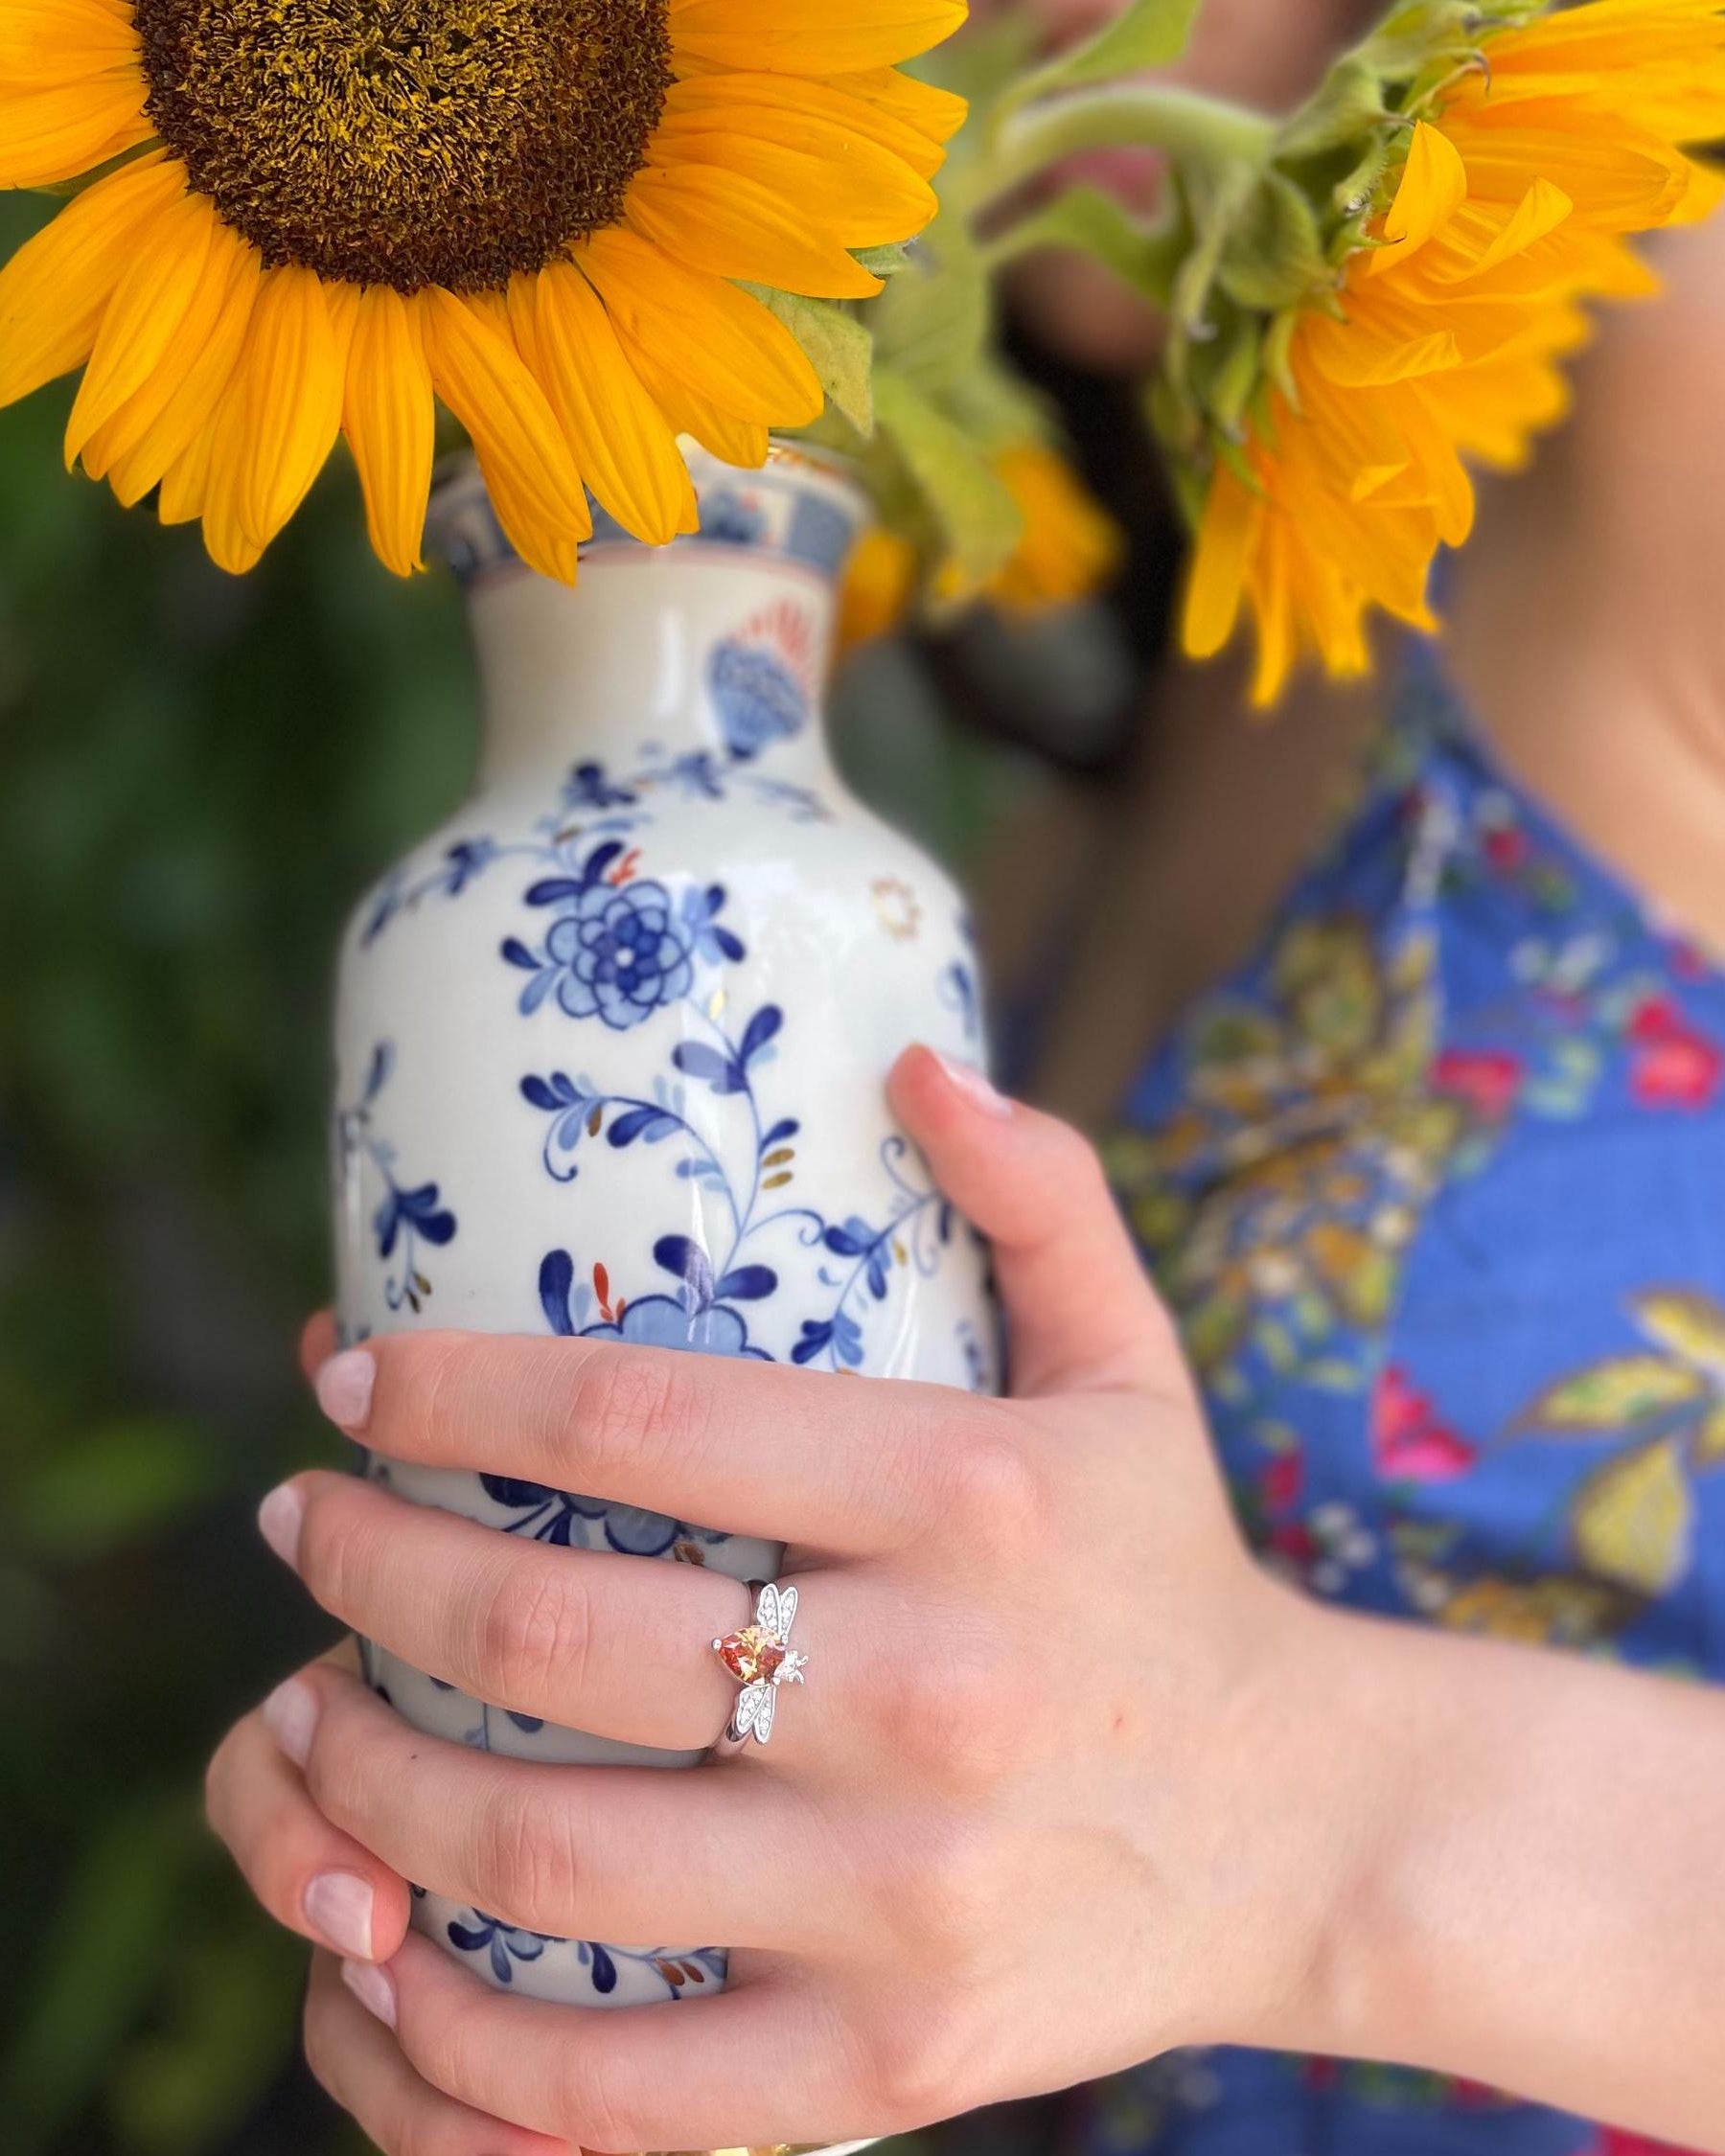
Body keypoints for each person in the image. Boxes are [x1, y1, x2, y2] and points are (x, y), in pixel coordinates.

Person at [205, 6, 1725, 2153]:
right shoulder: (1126, 745)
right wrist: (586, 1860)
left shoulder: (1679, 331)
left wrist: (1294, 1805)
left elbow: (1166, 1784)